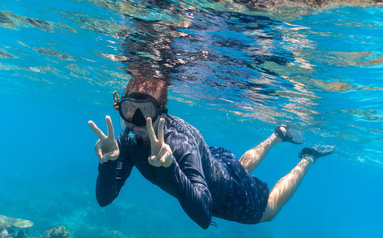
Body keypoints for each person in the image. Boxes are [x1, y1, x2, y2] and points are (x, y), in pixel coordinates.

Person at [88, 76, 334, 229]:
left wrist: (170, 167)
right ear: (121, 108)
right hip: (214, 160)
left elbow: (204, 217)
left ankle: (308, 157)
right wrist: (107, 164)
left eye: (147, 112)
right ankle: (278, 135)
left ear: (161, 113)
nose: (138, 123)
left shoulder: (179, 145)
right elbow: (104, 199)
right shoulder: (127, 140)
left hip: (227, 193)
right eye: (131, 110)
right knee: (240, 165)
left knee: (268, 210)